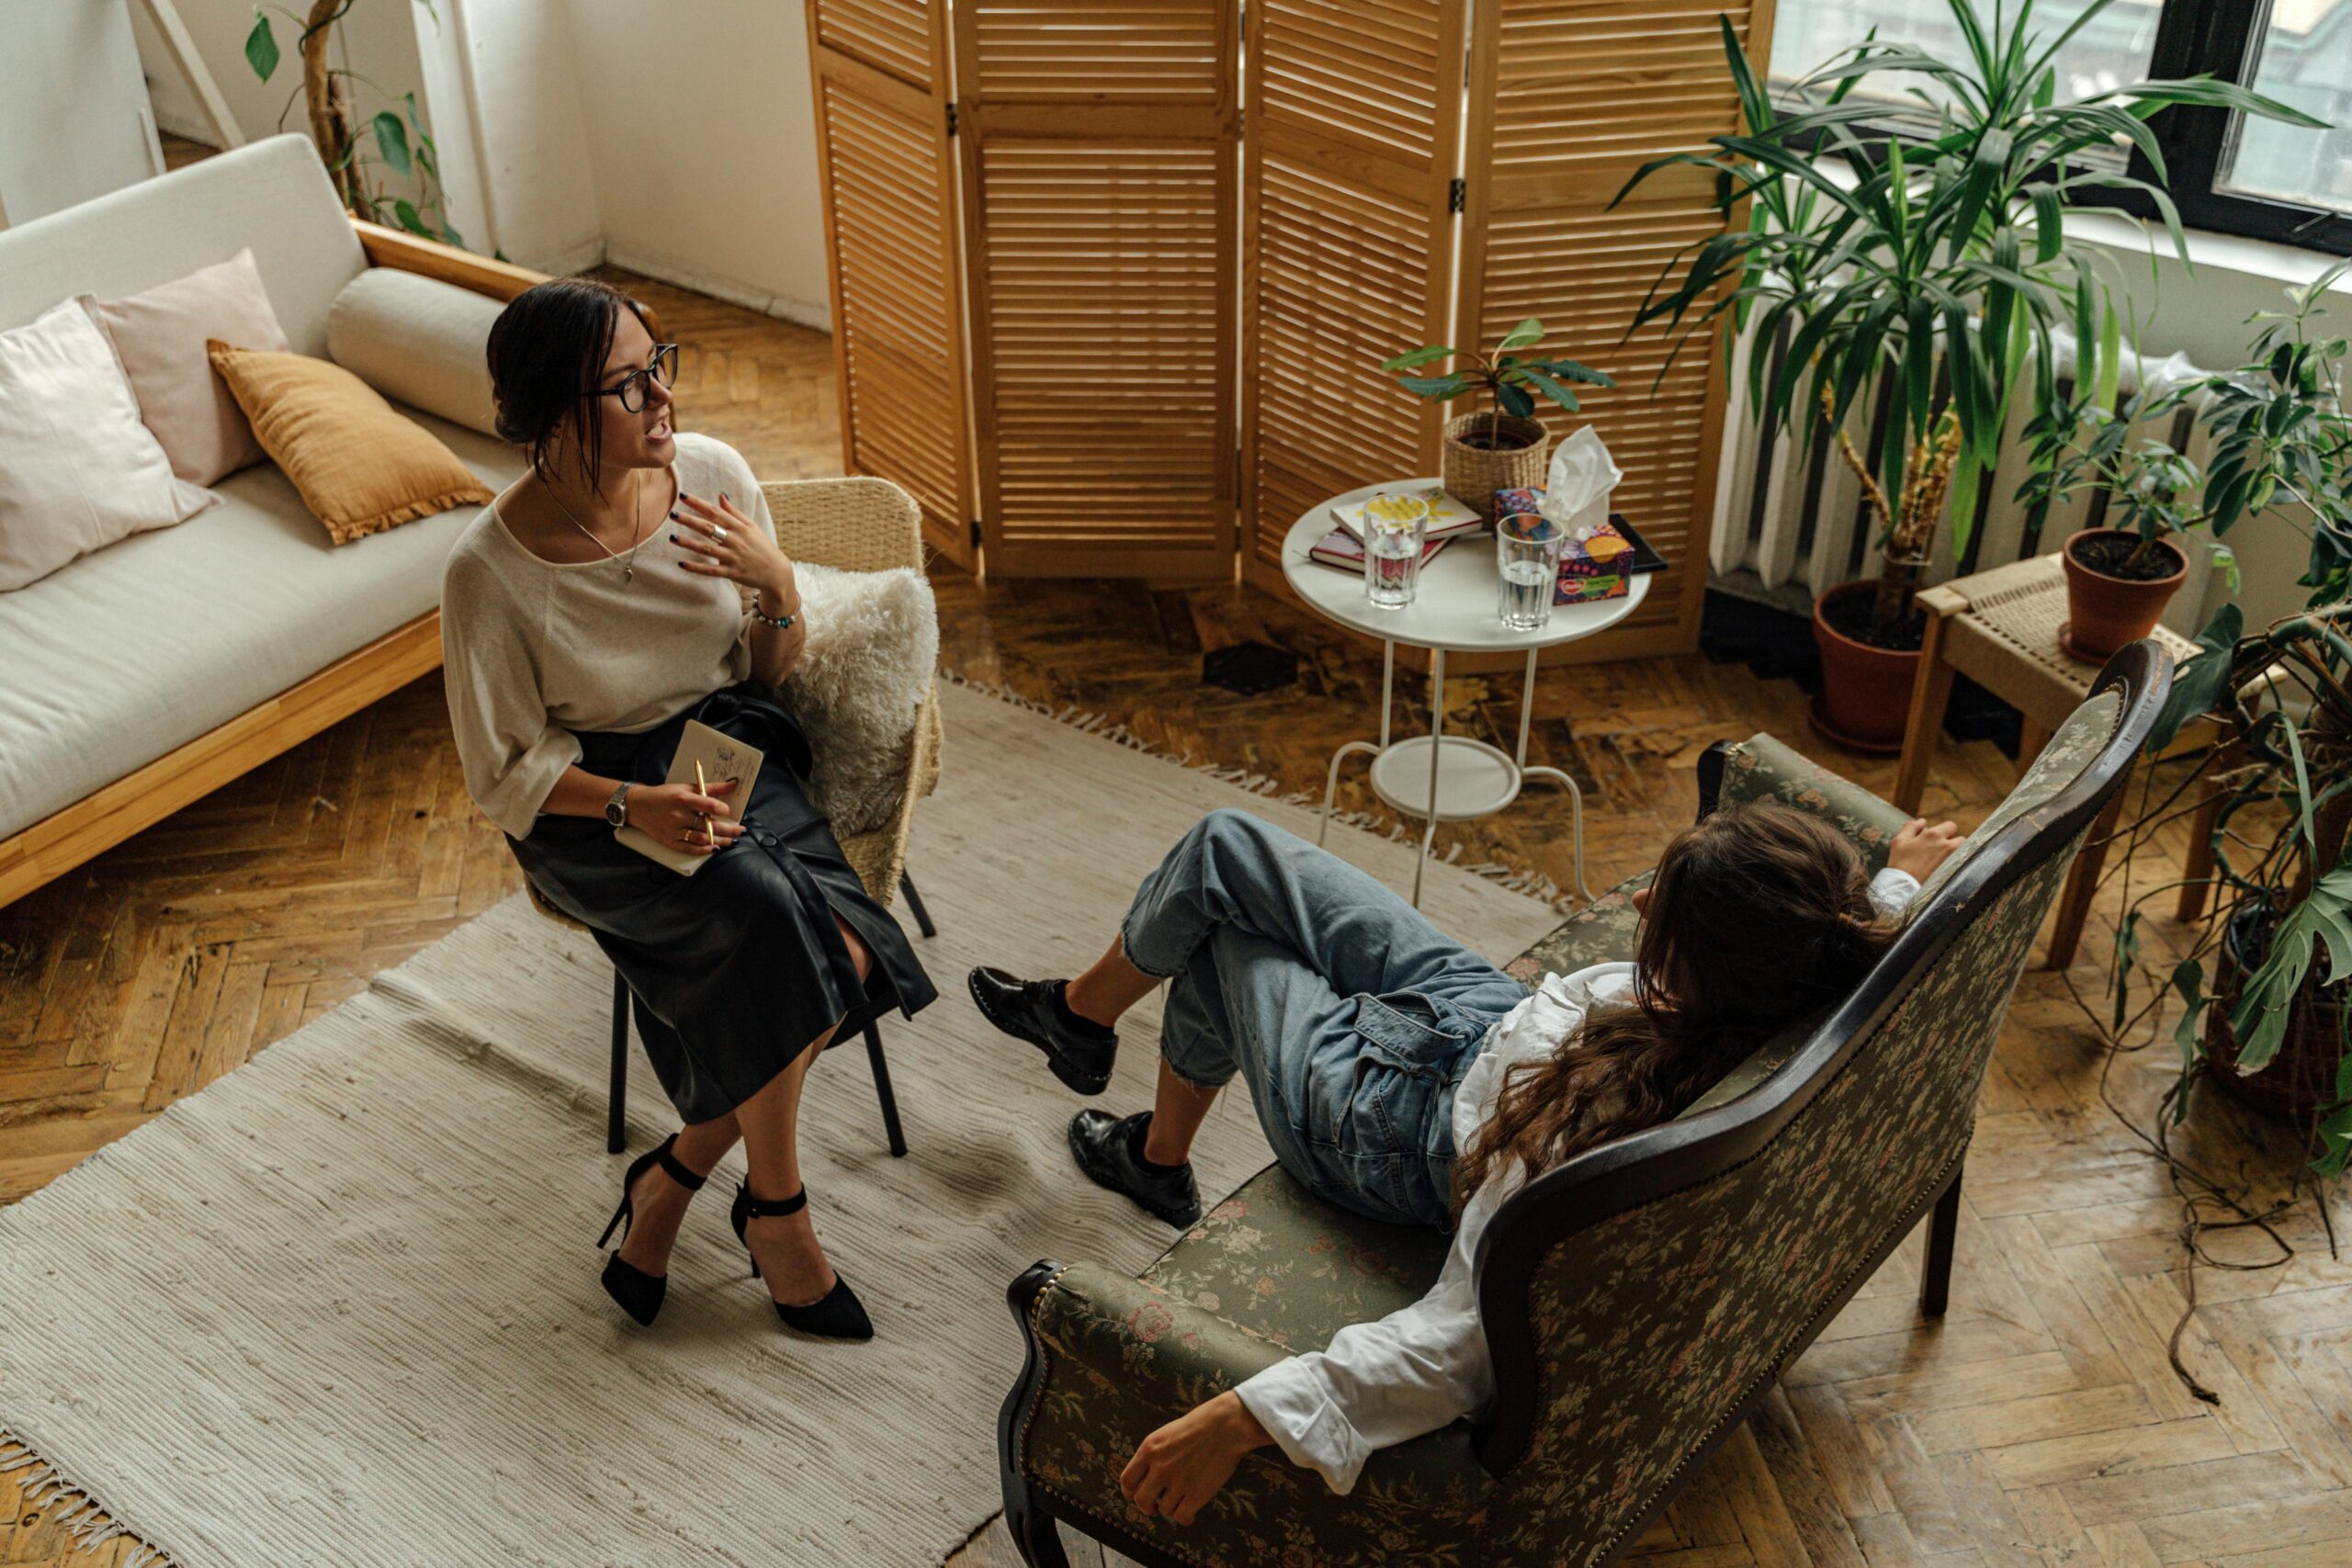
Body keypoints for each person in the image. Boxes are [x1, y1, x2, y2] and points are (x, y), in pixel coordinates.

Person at [970, 803, 1961, 1517]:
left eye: (1664, 911)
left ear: (1702, 967)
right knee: (1224, 848)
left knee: (1221, 943)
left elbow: (1467, 1338)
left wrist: (1250, 1413)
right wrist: (1892, 876)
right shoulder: (1824, 961)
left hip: (1388, 1123)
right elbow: (1855, 930)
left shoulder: (1583, 1136)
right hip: (1489, 1015)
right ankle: (1083, 1026)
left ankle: (1142, 1135)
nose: (1646, 897)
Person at [442, 278, 935, 1341]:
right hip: (588, 804)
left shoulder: (710, 475)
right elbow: (502, 771)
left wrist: (777, 587)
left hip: (725, 743)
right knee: (778, 924)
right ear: (552, 415)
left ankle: (674, 1179)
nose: (661, 397)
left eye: (661, 361)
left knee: (844, 953)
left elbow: (765, 669)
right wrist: (632, 810)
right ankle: (780, 1216)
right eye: (627, 385)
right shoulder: (488, 573)